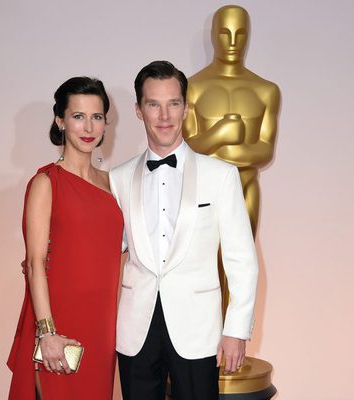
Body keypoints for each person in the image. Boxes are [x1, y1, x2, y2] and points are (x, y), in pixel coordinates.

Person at [109, 61, 258, 400]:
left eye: (173, 103)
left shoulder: (221, 175)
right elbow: (105, 250)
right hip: (135, 328)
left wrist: (236, 330)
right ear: (138, 110)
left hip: (198, 329)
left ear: (186, 108)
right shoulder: (117, 178)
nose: (165, 115)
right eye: (153, 104)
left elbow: (241, 258)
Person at [7, 77, 123, 399]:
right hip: (59, 322)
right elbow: (33, 264)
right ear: (60, 121)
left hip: (102, 326)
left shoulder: (114, 185)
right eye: (78, 116)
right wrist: (47, 333)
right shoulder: (46, 182)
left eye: (96, 117)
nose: (88, 127)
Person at [183, 5, 281, 236]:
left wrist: (215, 146)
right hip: (204, 188)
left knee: (243, 264)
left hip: (246, 185)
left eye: (240, 33)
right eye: (225, 33)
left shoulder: (266, 90)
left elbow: (265, 151)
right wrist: (221, 134)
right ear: (213, 35)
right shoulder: (191, 88)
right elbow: (186, 149)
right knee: (205, 265)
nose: (233, 42)